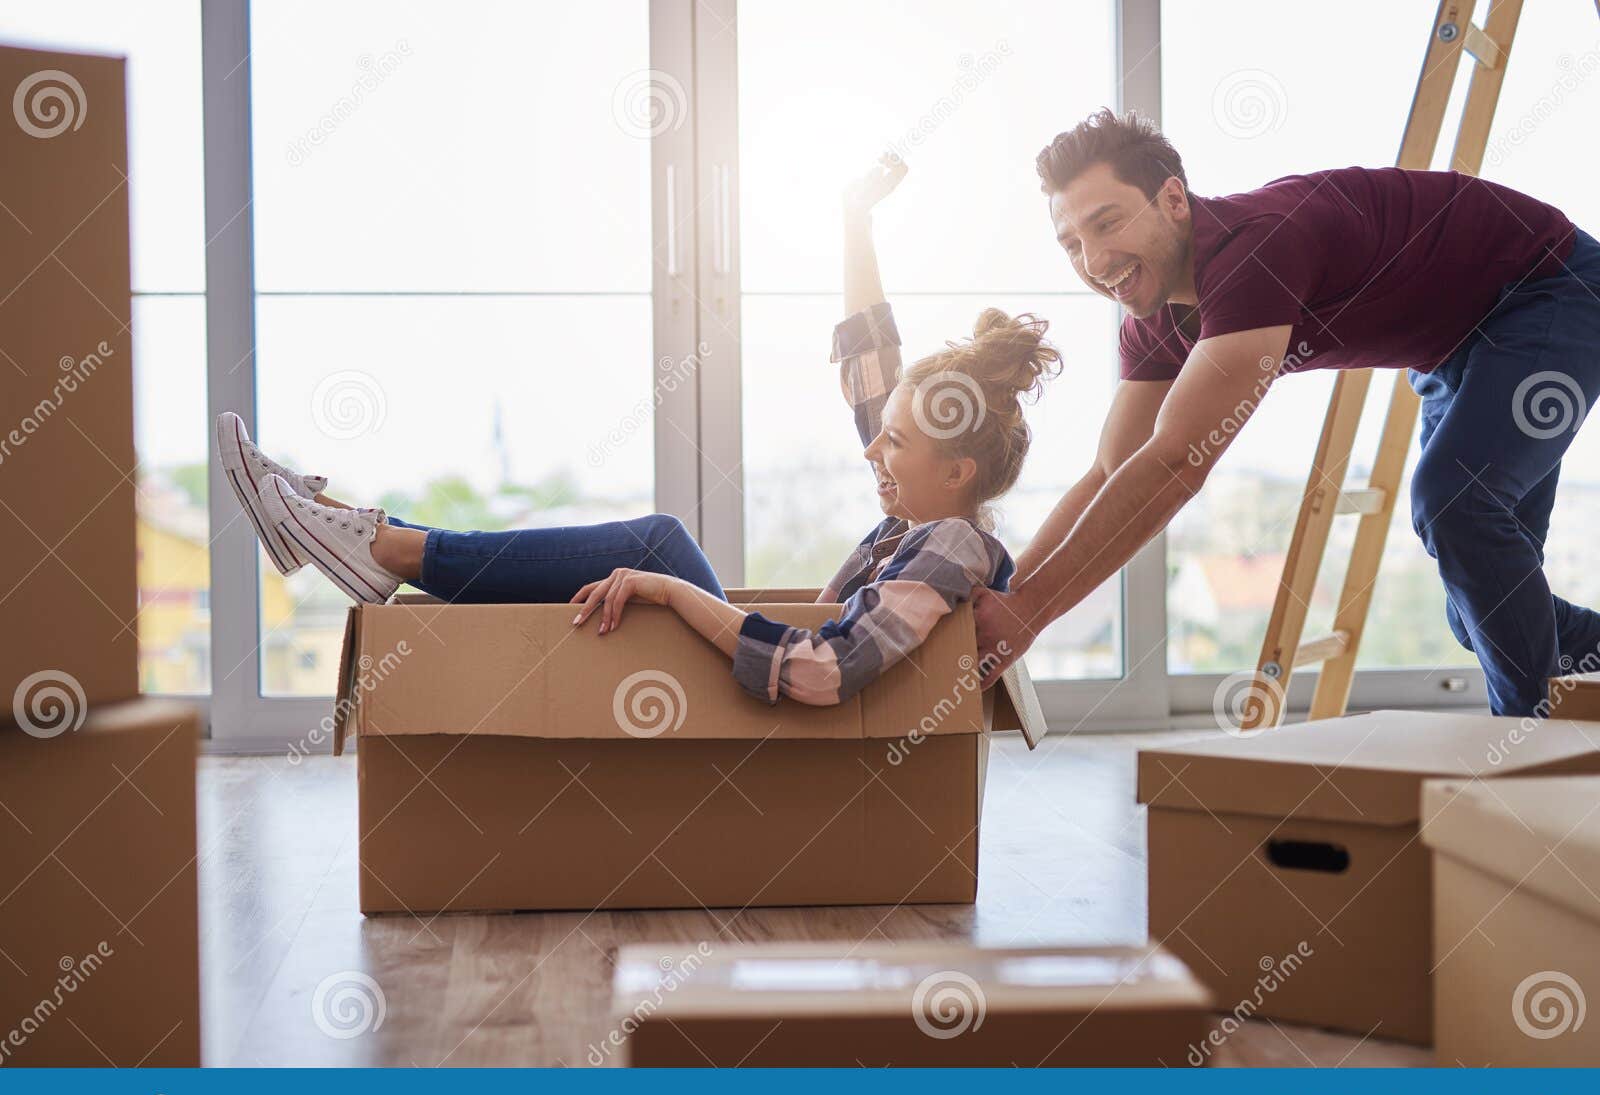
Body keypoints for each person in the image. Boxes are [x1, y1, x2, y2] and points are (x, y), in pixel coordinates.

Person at [217, 155, 1059, 707]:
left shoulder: (948, 544)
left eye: (896, 444)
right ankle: (381, 544)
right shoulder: (928, 512)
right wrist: (852, 223)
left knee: (659, 549)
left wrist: (669, 593)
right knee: (656, 546)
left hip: (779, 717)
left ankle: (384, 549)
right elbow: (871, 366)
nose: (872, 448)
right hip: (762, 693)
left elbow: (825, 672)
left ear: (956, 473)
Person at [973, 108, 1600, 717]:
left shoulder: (1253, 252)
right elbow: (1111, 470)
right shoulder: (1153, 318)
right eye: (1071, 243)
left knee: (1455, 504)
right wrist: (1009, 595)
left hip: (1553, 290)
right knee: (1486, 617)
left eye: (1106, 223)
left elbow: (1175, 465)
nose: (1093, 261)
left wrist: (1029, 616)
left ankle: (1530, 766)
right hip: (1459, 349)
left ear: (1172, 199)